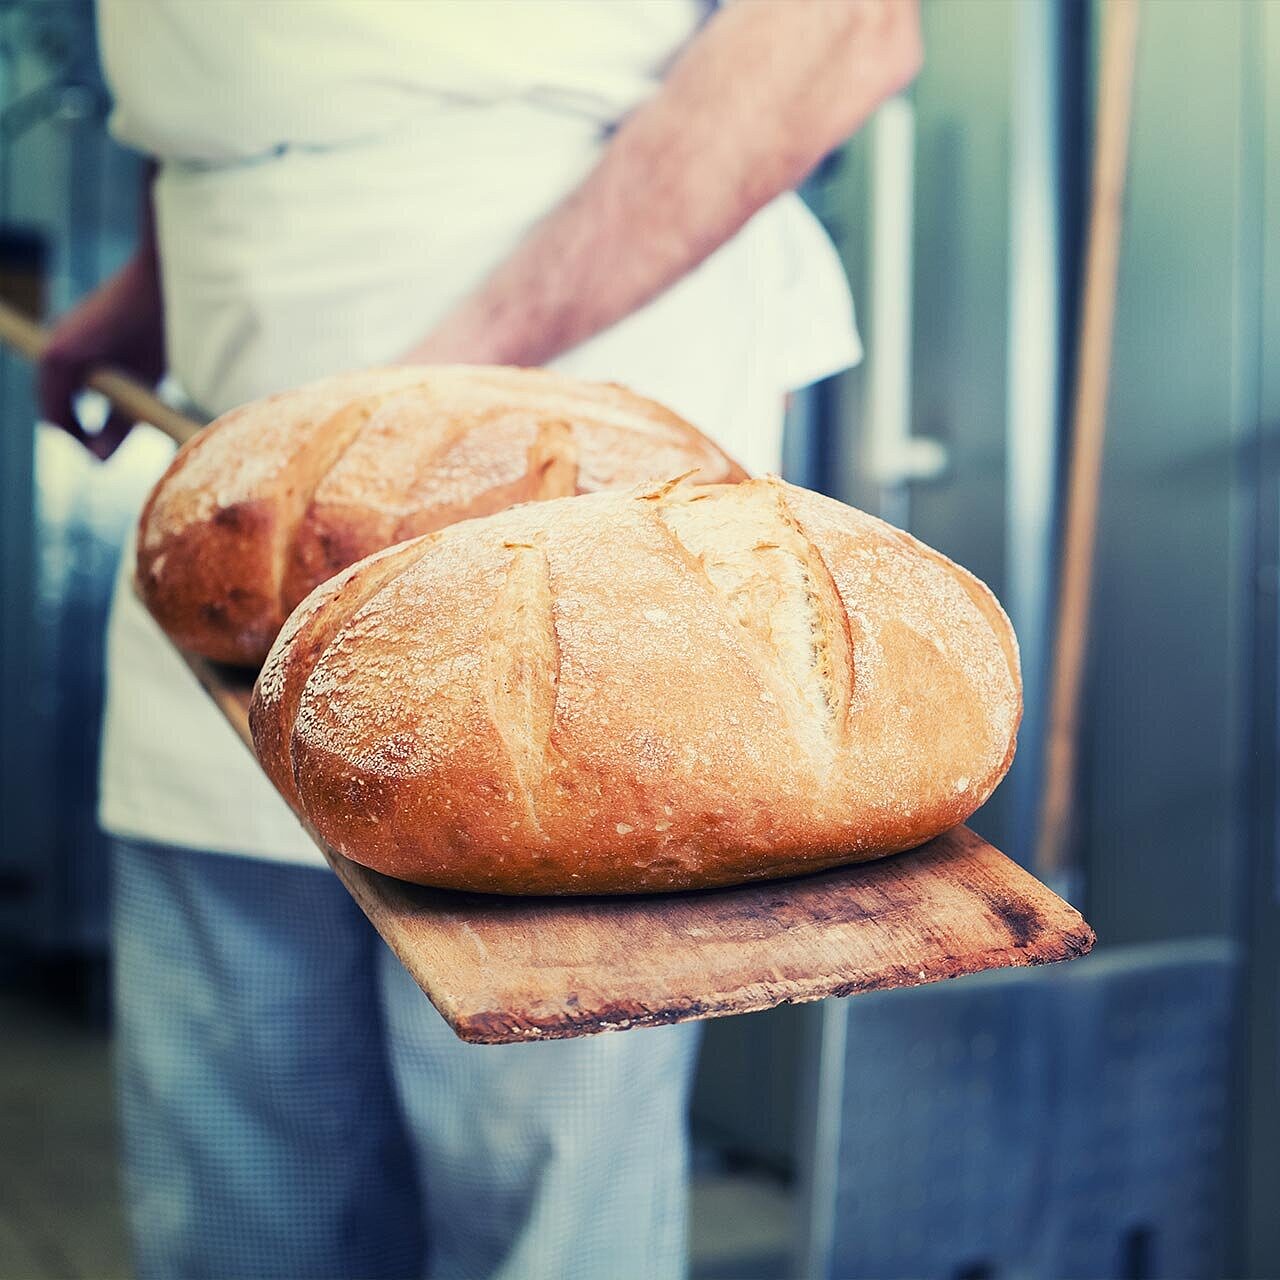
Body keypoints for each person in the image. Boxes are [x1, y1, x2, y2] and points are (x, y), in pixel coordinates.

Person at [38, 2, 922, 1277]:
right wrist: (152, 291)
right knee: (244, 1180)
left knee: (539, 1200)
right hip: (243, 462)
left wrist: (412, 412)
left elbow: (840, 29)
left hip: (564, 411)